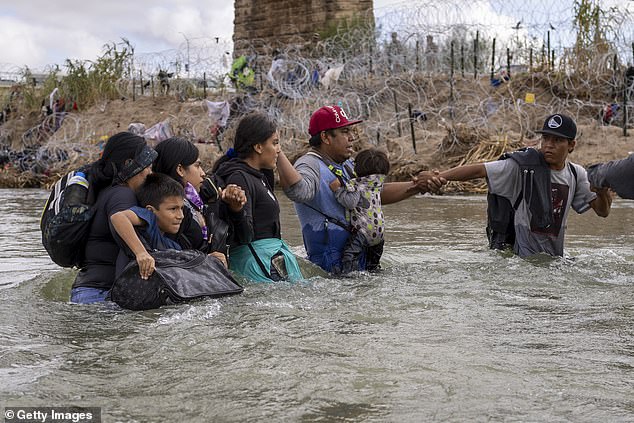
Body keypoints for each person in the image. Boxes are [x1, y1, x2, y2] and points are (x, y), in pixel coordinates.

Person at [277, 104, 444, 273]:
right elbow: (299, 192)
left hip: (358, 262)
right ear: (325, 137)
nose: (352, 137)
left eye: (351, 131)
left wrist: (417, 186)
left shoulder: (348, 165)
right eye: (345, 132)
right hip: (330, 270)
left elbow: (374, 194)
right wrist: (278, 153)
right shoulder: (309, 164)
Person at [438, 113, 612, 258]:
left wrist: (602, 192)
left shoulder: (576, 174)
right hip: (521, 260)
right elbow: (479, 170)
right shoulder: (522, 167)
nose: (548, 145)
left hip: (555, 258)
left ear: (571, 145)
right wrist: (438, 177)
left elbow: (603, 212)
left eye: (557, 140)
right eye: (545, 138)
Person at [212, 112, 303, 282]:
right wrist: (237, 209)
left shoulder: (260, 175)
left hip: (269, 260)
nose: (278, 150)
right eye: (274, 143)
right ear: (258, 147)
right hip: (257, 264)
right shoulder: (239, 177)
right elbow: (245, 236)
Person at [70, 132, 157, 304]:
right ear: (130, 164)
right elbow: (119, 219)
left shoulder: (105, 191)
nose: (150, 172)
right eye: (147, 166)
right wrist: (141, 253)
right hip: (99, 294)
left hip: (86, 290)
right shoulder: (122, 195)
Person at [152, 137, 247, 267]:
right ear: (180, 170)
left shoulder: (197, 201)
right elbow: (168, 256)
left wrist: (234, 208)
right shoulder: (172, 209)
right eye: (197, 166)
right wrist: (206, 261)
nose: (203, 173)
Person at [110, 173, 185, 279]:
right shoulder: (149, 218)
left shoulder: (175, 247)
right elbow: (118, 217)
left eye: (181, 208)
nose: (180, 216)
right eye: (173, 209)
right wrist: (141, 253)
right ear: (151, 210)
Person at [329, 148, 389, 274]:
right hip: (379, 231)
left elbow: (350, 203)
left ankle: (350, 276)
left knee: (349, 255)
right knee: (373, 263)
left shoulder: (357, 184)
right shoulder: (378, 183)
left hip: (364, 230)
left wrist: (337, 190)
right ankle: (373, 271)